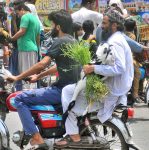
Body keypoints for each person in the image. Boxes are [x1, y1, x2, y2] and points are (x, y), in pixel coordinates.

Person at [55, 8, 134, 147]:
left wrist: (93, 68)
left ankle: (72, 133)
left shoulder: (115, 42)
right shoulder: (118, 38)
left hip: (111, 89)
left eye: (104, 23)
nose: (101, 26)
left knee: (67, 92)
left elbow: (119, 68)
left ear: (114, 25)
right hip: (116, 86)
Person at [7, 9, 80, 149]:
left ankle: (36, 137)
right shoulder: (73, 41)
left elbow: (42, 64)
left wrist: (17, 77)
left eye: (52, 25)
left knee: (20, 99)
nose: (51, 28)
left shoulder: (60, 41)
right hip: (72, 89)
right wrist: (38, 77)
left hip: (61, 91)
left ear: (58, 26)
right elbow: (59, 67)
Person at [10, 4, 40, 89]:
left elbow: (22, 31)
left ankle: (26, 94)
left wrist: (12, 39)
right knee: (32, 74)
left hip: (25, 48)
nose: (18, 15)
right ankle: (32, 94)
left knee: (25, 73)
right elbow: (38, 37)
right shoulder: (36, 19)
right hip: (33, 49)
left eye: (18, 13)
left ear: (22, 9)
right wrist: (38, 50)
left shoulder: (25, 17)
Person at [124, 19, 143, 103]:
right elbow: (133, 48)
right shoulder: (132, 35)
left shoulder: (122, 33)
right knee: (138, 73)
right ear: (134, 27)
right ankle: (135, 94)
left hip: (123, 57)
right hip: (129, 59)